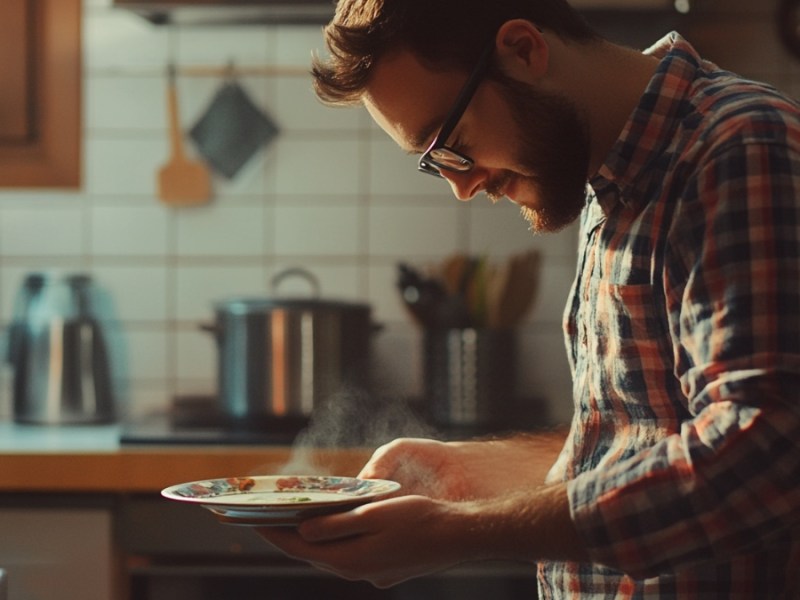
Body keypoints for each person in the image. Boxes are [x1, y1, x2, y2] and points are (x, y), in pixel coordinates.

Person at [257, 0, 800, 596]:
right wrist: (467, 471)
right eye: (435, 163)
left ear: (524, 50)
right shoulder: (612, 181)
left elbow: (766, 454)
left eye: (452, 140)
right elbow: (643, 437)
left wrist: (459, 532)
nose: (462, 186)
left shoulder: (736, 147)